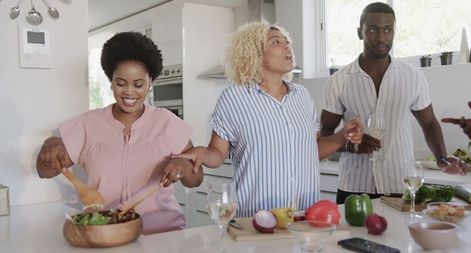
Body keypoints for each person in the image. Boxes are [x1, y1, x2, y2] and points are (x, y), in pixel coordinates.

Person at [173, 22, 363, 217]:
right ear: (255, 53)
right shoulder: (234, 97)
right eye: (276, 42)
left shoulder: (302, 95)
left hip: (303, 216)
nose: (287, 46)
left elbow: (312, 148)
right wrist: (200, 154)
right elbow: (217, 153)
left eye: (287, 42)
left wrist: (343, 135)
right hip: (255, 220)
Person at [36, 32, 203, 234]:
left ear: (150, 83)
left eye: (138, 84)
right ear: (111, 81)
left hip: (164, 235)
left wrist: (184, 166)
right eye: (121, 83)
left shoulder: (167, 122)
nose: (129, 92)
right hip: (108, 234)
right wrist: (49, 146)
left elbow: (195, 180)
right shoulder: (88, 124)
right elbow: (45, 172)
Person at [320, 2, 467, 204]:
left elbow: (430, 123)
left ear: (394, 32)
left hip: (400, 185)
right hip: (354, 187)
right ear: (359, 33)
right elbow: (326, 134)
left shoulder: (412, 76)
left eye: (387, 30)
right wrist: (351, 146)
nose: (381, 37)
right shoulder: (339, 80)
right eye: (372, 29)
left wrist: (442, 157)